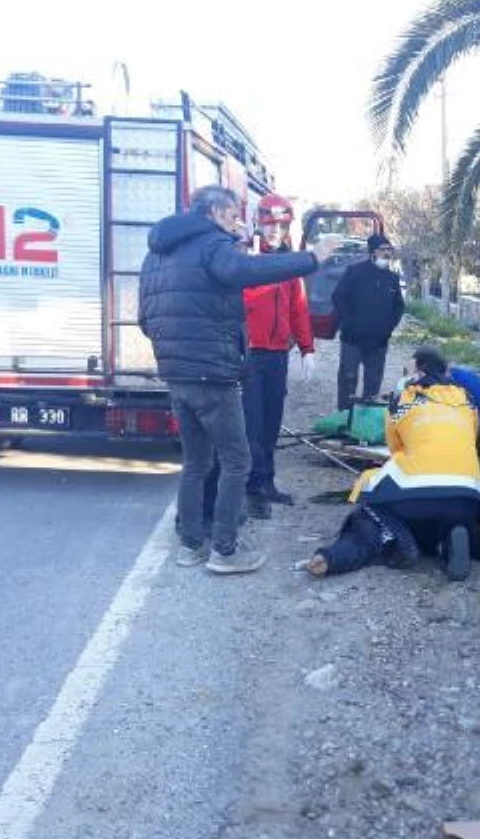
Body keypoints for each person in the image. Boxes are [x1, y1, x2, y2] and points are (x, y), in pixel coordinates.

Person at [139, 185, 340, 575]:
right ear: (214, 211)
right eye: (233, 214)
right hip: (213, 373)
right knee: (236, 460)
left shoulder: (157, 253)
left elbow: (146, 320)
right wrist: (312, 257)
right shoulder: (213, 246)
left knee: (196, 462)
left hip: (176, 373)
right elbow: (248, 271)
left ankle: (191, 545)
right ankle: (225, 551)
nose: (236, 223)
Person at [307, 345, 480, 582]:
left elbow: (395, 449)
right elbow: (471, 437)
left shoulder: (403, 400)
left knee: (369, 487)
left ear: (419, 372)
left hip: (417, 495)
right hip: (470, 499)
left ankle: (402, 539)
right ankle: (450, 535)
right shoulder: (467, 400)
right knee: (444, 507)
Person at [202, 194, 317, 522]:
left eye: (281, 226)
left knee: (270, 423)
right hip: (250, 356)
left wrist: (307, 348)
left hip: (278, 354)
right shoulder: (244, 258)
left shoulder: (290, 263)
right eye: (270, 225)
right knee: (251, 425)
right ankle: (251, 490)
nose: (275, 232)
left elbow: (299, 308)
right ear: (259, 223)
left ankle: (266, 482)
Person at [332, 233, 405, 410]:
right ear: (372, 252)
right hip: (352, 339)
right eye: (383, 250)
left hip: (378, 342)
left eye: (389, 250)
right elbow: (338, 298)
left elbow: (399, 306)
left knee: (373, 385)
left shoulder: (392, 278)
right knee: (348, 380)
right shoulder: (354, 272)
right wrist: (348, 324)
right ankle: (344, 418)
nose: (387, 254)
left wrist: (388, 328)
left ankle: (365, 422)